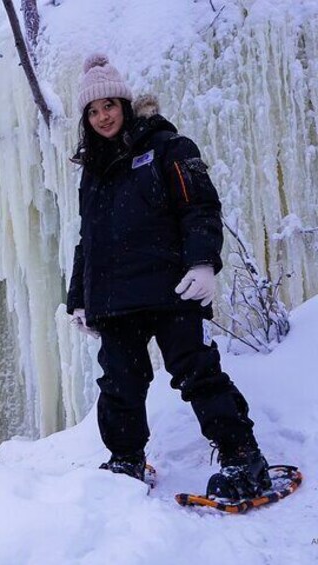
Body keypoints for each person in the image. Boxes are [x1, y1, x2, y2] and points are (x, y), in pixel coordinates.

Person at [66, 53, 271, 500]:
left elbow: (199, 206)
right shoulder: (93, 171)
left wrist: (203, 263)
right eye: (93, 111)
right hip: (116, 301)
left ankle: (243, 458)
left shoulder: (168, 147)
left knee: (196, 371)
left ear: (124, 102)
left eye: (109, 106)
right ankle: (126, 461)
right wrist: (79, 298)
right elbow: (90, 239)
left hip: (170, 289)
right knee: (118, 383)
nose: (103, 117)